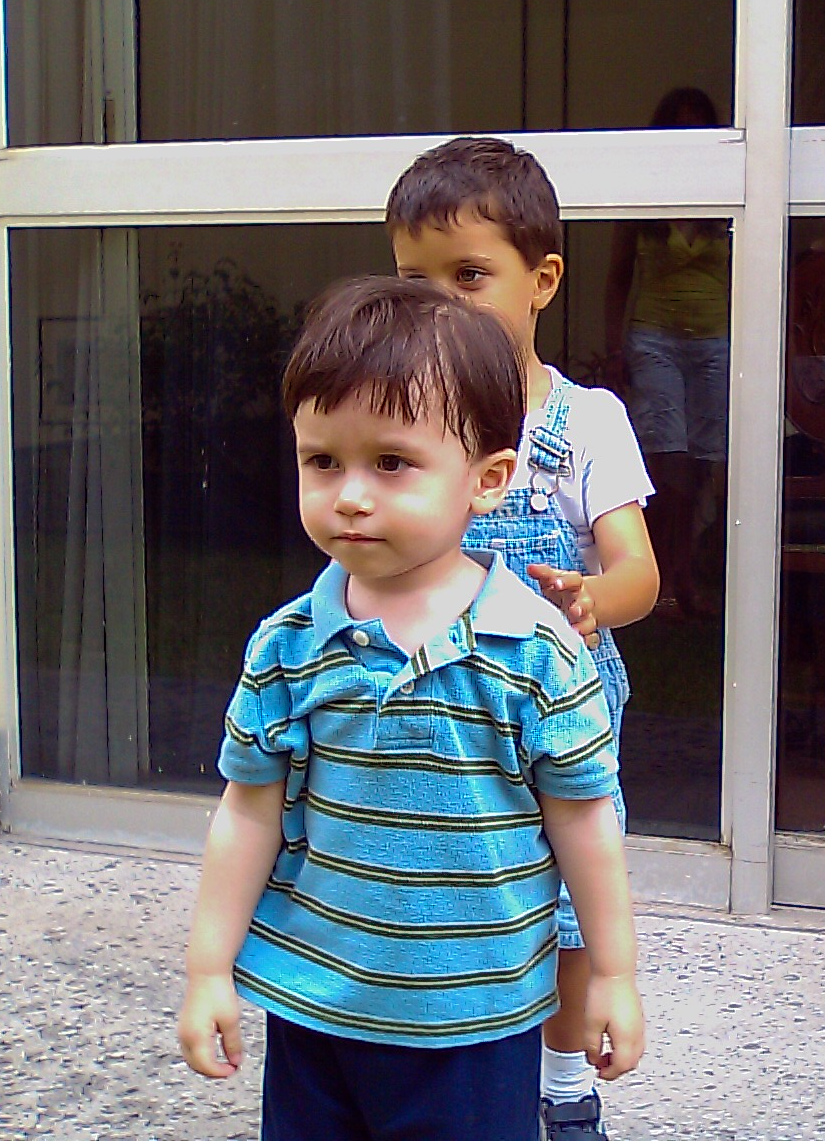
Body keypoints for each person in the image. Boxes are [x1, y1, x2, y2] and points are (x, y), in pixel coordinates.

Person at [176, 276, 645, 1141]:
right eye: (323, 461)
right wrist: (209, 968)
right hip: (315, 1008)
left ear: (488, 480)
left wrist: (613, 973)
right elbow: (247, 812)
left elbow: (585, 822)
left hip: (478, 1022)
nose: (351, 494)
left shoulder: (537, 653)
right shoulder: (288, 646)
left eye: (391, 463)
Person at [386, 136, 660, 1140]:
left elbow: (639, 572)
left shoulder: (584, 423)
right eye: (415, 281)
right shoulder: (404, 417)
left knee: (571, 907)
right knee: (459, 893)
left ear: (541, 281)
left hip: (560, 708)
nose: (441, 305)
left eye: (469, 277)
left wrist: (593, 597)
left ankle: (564, 1082)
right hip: (444, 707)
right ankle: (458, 1060)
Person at [603, 86, 731, 621]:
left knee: (702, 465)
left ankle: (684, 576)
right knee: (667, 463)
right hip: (655, 339)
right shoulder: (645, 197)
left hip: (716, 341)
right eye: (679, 129)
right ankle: (658, 581)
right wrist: (614, 349)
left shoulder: (729, 189)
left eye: (698, 129)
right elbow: (618, 278)